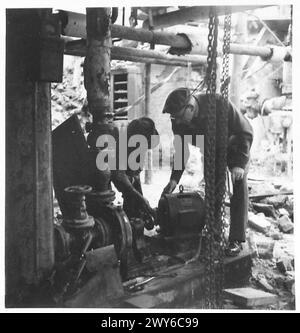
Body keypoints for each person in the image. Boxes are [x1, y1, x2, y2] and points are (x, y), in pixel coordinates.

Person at [161, 87, 253, 256]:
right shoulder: (177, 119)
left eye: (181, 117)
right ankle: (214, 234)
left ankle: (236, 239)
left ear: (190, 107)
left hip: (236, 147)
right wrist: (174, 179)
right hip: (211, 152)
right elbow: (181, 150)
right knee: (212, 191)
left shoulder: (217, 103)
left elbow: (245, 131)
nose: (179, 122)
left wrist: (239, 163)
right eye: (176, 118)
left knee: (238, 187)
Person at [112, 117, 159, 224]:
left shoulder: (140, 133)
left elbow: (135, 176)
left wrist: (141, 200)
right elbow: (119, 177)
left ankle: (133, 221)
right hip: (95, 168)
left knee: (133, 193)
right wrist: (142, 200)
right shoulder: (120, 139)